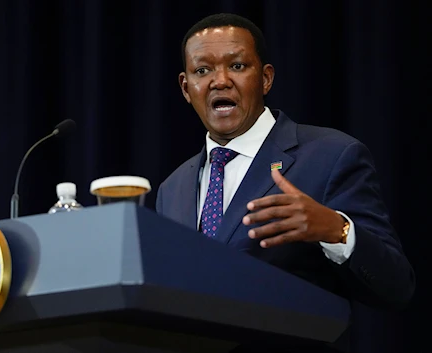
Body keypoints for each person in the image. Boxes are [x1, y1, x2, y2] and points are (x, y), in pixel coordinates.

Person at [155, 12, 415, 352]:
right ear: (186, 88)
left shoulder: (331, 155)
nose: (219, 81)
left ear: (265, 79)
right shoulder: (171, 189)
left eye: (236, 66)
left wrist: (337, 230)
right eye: (202, 70)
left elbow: (397, 287)